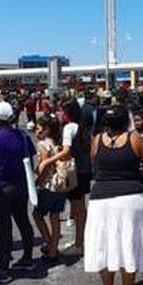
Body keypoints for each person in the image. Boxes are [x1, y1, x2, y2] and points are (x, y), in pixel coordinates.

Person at [84, 105, 143, 285]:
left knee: (104, 245)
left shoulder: (97, 140)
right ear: (126, 121)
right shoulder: (135, 139)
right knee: (128, 243)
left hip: (100, 199)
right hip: (131, 198)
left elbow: (95, 164)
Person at [0, 101, 38, 281]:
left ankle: (4, 266)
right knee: (23, 220)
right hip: (20, 184)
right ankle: (28, 257)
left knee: (4, 227)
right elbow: (32, 156)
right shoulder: (22, 136)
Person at [32, 114, 69, 261]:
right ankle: (53, 249)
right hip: (60, 184)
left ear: (46, 130)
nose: (36, 131)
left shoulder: (42, 144)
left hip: (48, 185)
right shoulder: (57, 142)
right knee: (55, 217)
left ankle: (49, 243)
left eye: (39, 129)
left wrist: (37, 180)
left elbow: (45, 165)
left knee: (37, 214)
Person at [58, 100, 93, 256]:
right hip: (85, 170)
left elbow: (66, 151)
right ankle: (82, 240)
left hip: (74, 172)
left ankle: (79, 244)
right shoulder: (84, 128)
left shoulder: (68, 128)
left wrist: (48, 161)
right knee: (81, 208)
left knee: (77, 208)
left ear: (67, 114)